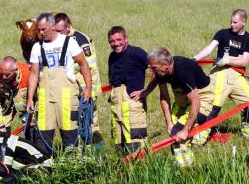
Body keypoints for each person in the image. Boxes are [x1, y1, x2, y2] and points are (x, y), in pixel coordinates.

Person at [131, 47, 214, 167]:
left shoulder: (182, 72)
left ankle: (188, 166)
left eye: (154, 68)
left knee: (181, 130)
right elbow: (164, 96)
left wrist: (186, 129)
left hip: (201, 95)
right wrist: (168, 122)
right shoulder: (161, 71)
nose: (152, 71)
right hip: (182, 95)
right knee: (173, 132)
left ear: (165, 65)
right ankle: (181, 165)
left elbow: (196, 101)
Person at [26, 12, 92, 156]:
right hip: (45, 97)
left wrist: (88, 88)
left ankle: (72, 167)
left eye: (44, 29)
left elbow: (84, 65)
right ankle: (43, 168)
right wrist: (30, 98)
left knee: (69, 134)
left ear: (53, 26)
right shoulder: (37, 47)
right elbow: (34, 74)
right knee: (42, 134)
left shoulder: (69, 42)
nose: (41, 33)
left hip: (66, 96)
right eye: (39, 30)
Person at [191, 9, 249, 144]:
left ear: (243, 22)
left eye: (235, 22)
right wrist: (195, 58)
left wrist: (227, 61)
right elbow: (209, 48)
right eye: (231, 21)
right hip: (219, 74)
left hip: (237, 76)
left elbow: (244, 61)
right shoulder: (223, 33)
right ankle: (198, 139)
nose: (232, 24)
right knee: (211, 106)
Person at [54, 12, 104, 146]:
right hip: (72, 91)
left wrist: (90, 93)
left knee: (91, 125)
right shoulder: (61, 40)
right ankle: (80, 157)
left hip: (85, 91)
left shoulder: (80, 40)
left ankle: (98, 156)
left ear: (68, 27)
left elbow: (91, 69)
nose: (57, 34)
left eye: (59, 31)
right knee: (74, 125)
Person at [107, 26, 149, 154]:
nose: (116, 44)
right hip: (117, 106)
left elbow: (158, 70)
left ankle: (140, 171)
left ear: (126, 39)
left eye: (119, 39)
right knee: (120, 145)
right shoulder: (112, 57)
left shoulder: (137, 53)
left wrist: (146, 91)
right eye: (112, 41)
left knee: (137, 144)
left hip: (132, 105)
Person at [0, 56, 30, 134]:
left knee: (31, 131)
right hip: (6, 107)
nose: (4, 77)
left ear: (16, 70)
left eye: (7, 75)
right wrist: (0, 127)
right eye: (2, 74)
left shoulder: (28, 74)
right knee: (2, 134)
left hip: (27, 107)